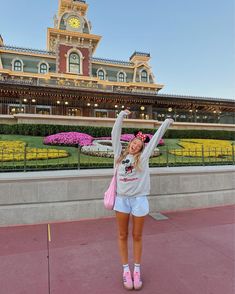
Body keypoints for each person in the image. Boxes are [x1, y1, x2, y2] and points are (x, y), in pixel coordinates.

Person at [111, 109, 174, 290]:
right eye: (134, 142)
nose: (136, 145)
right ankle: (125, 270)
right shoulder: (118, 156)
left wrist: (165, 123)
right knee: (122, 235)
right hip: (121, 200)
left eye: (139, 144)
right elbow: (115, 134)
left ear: (141, 147)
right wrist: (121, 116)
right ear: (130, 143)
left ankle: (136, 269)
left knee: (137, 236)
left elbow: (154, 140)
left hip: (139, 200)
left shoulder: (143, 159)